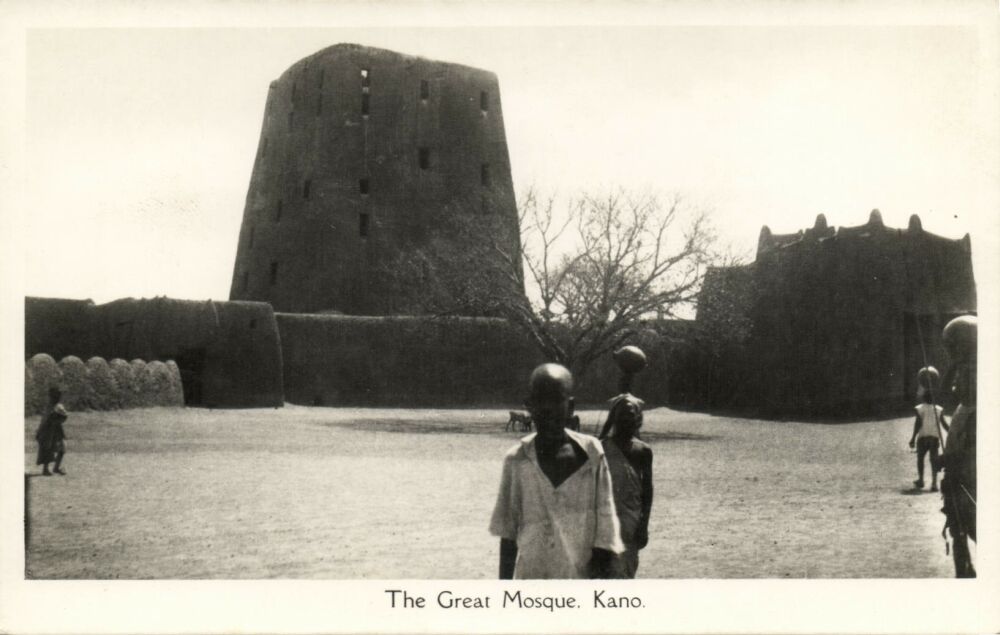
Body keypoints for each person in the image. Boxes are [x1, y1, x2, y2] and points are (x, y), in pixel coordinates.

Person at [489, 363, 624, 579]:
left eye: (556, 399)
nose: (547, 408)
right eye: (540, 400)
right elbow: (508, 533)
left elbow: (606, 527)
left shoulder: (591, 454)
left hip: (579, 581)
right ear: (529, 406)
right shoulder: (516, 459)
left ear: (570, 407)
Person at [937, 315, 977, 578]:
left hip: (972, 493)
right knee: (959, 535)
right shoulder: (965, 408)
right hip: (957, 493)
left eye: (967, 373)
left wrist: (953, 460)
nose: (956, 382)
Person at [598, 393, 653, 578]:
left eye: (631, 414)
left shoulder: (643, 451)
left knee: (625, 574)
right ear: (614, 418)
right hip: (604, 522)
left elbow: (647, 490)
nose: (626, 418)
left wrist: (644, 525)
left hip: (631, 523)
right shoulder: (600, 448)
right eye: (622, 413)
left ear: (638, 418)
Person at [907, 367, 947, 491]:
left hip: (923, 437)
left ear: (924, 397)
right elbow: (944, 425)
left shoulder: (920, 408)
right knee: (933, 460)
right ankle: (934, 483)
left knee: (920, 459)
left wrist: (913, 437)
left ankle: (921, 479)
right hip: (934, 438)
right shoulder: (939, 409)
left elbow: (917, 424)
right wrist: (951, 432)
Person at [35, 386, 69, 476]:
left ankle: (56, 467)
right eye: (57, 394)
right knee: (48, 448)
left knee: (62, 448)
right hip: (48, 430)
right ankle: (46, 469)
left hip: (56, 429)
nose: (59, 396)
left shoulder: (56, 406)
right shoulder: (51, 406)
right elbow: (45, 419)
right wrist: (39, 430)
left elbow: (64, 416)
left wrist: (59, 420)